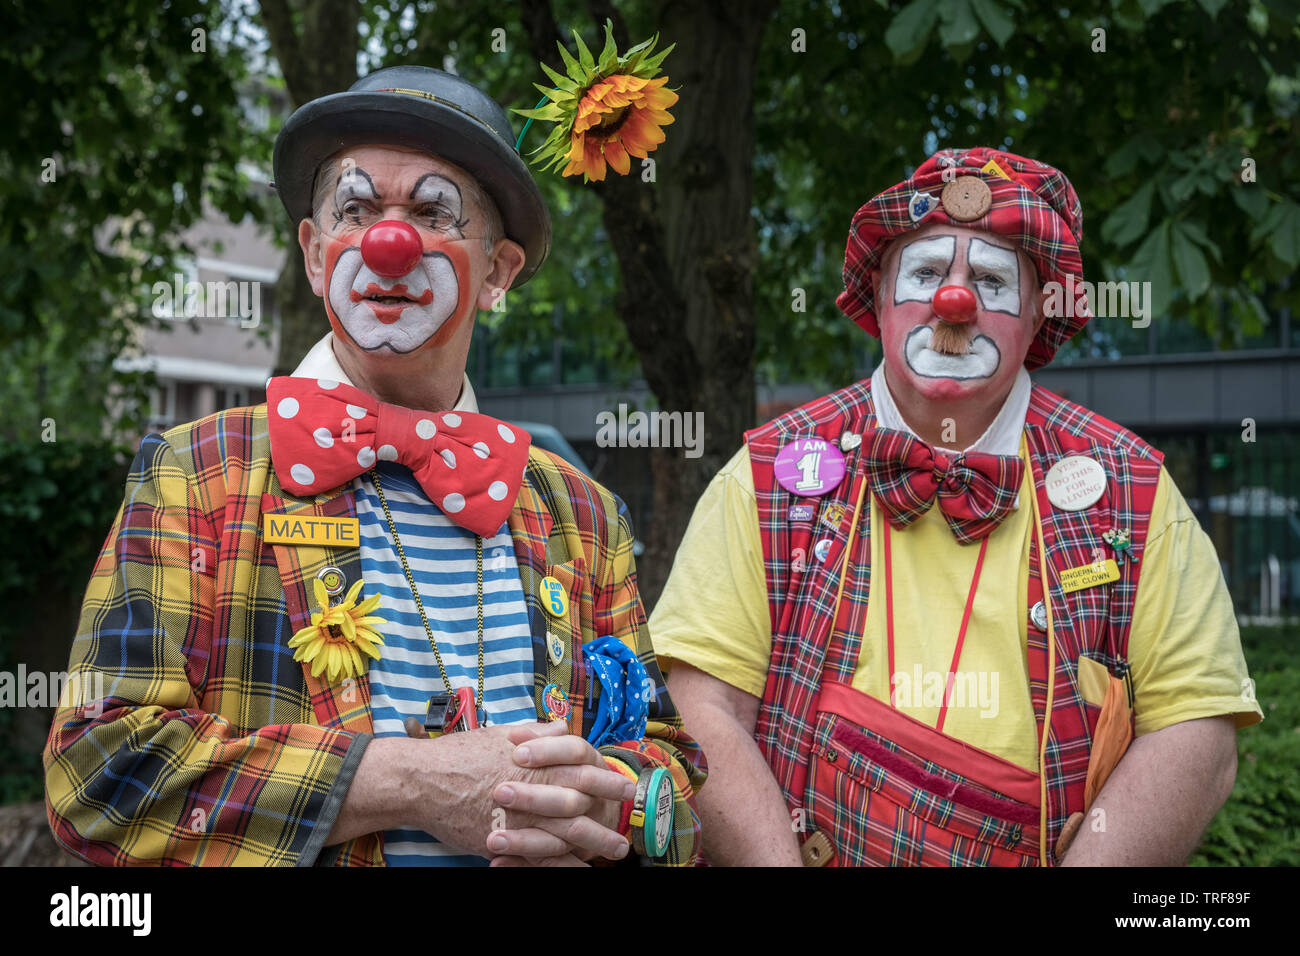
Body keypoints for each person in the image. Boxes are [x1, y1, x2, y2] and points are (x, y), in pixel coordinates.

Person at [44, 66, 704, 867]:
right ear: (318, 255)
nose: (388, 242)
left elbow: (672, 773)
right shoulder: (196, 472)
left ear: (497, 273)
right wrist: (406, 781)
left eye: (432, 211)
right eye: (356, 211)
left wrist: (610, 800)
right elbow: (96, 771)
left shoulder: (582, 511)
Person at [649, 146, 1261, 866]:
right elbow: (699, 707)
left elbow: (1196, 730)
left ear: (1038, 313)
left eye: (993, 279)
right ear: (878, 297)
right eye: (929, 273)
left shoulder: (1133, 488)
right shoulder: (764, 477)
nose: (955, 302)